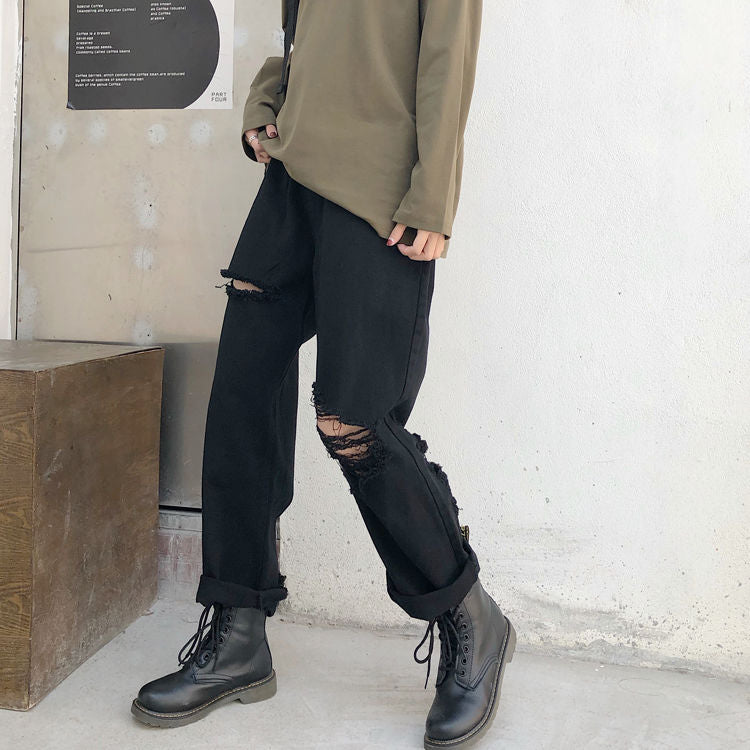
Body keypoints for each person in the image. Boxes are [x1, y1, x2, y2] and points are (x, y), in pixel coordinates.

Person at [130, 1, 515, 747]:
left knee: (354, 422)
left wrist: (434, 194)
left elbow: (448, 57)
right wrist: (264, 103)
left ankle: (467, 611)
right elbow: (301, 36)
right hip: (292, 181)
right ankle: (238, 632)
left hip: (379, 193)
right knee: (243, 394)